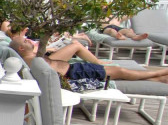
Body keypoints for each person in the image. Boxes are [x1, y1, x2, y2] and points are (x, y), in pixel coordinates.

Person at [9, 37, 168, 84]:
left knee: (119, 72)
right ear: (22, 49)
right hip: (75, 73)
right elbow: (50, 72)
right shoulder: (32, 60)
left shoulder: (30, 58)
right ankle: (160, 73)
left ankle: (158, 78)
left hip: (73, 70)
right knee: (120, 71)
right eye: (26, 42)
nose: (29, 41)